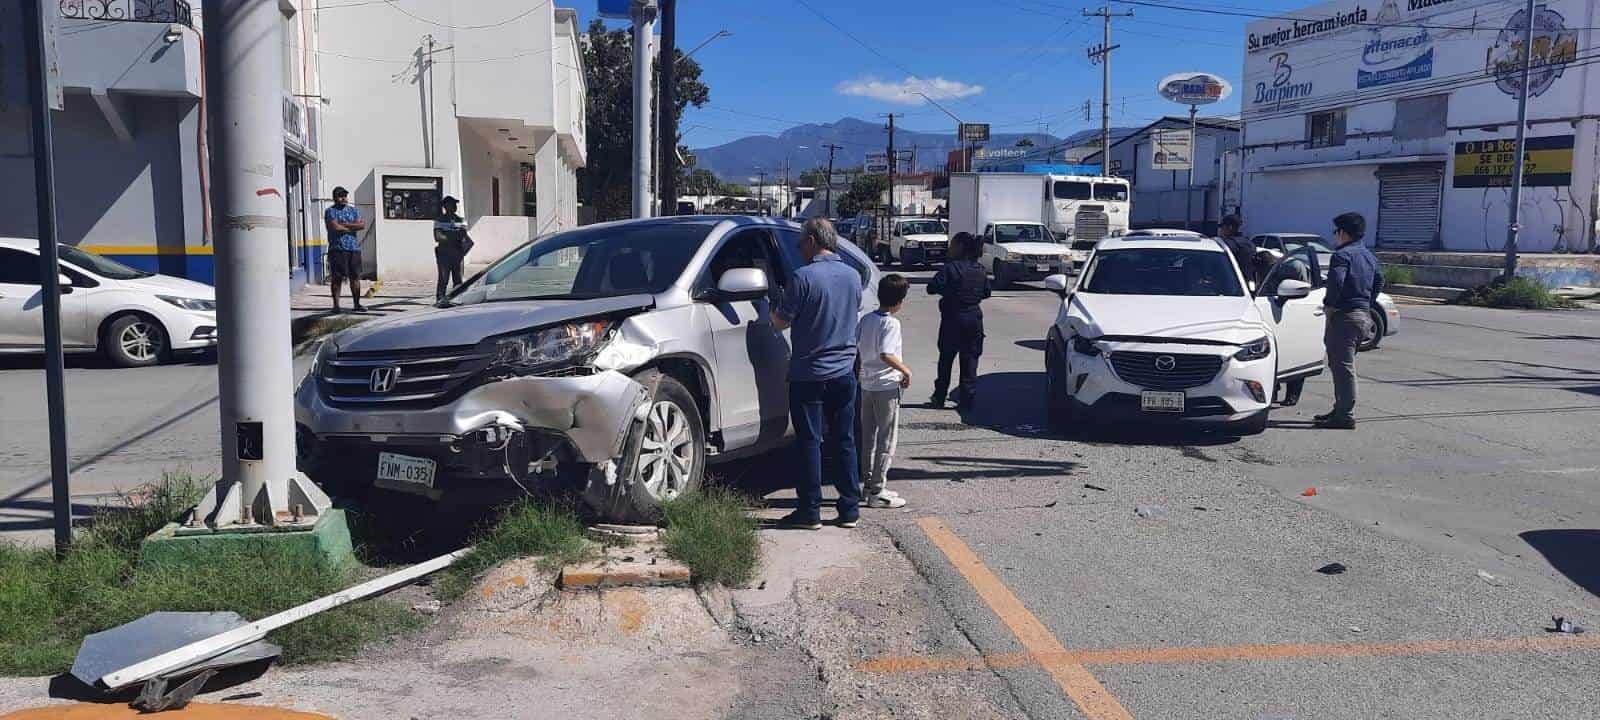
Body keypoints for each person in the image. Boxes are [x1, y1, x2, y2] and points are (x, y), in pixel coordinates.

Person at [771, 218, 863, 530]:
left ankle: (809, 511)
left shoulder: (802, 277)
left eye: (801, 242)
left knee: (810, 441)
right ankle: (849, 508)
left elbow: (781, 322)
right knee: (844, 440)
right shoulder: (852, 276)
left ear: (812, 240)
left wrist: (772, 306)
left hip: (809, 372)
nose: (799, 248)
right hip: (844, 372)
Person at [1316, 212, 1383, 430]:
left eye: (1336, 231)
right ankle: (1340, 408)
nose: (1335, 236)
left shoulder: (1342, 255)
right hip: (1363, 315)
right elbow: (1379, 282)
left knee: (1343, 368)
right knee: (1340, 365)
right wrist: (1367, 303)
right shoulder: (1369, 255)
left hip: (1344, 316)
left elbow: (1336, 280)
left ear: (1343, 232)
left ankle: (1345, 415)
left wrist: (1330, 304)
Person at [858, 273, 912, 510]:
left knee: (867, 437)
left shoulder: (866, 320)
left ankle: (867, 485)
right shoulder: (891, 323)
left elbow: (857, 349)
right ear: (899, 300)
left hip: (867, 384)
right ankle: (878, 490)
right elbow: (886, 353)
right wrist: (906, 371)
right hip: (886, 387)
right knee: (886, 439)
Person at [927, 232, 990, 409]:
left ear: (960, 247)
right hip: (974, 320)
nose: (950, 248)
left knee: (946, 360)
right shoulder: (979, 269)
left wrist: (950, 292)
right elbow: (986, 292)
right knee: (970, 361)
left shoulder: (950, 268)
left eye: (953, 245)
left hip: (953, 319)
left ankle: (939, 397)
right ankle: (967, 399)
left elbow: (932, 287)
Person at [323, 186, 366, 312]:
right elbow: (335, 227)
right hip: (337, 249)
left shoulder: (353, 210)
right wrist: (353, 227)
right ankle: (336, 306)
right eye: (340, 196)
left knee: (355, 277)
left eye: (345, 196)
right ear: (335, 198)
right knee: (337, 278)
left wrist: (344, 225)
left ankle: (357, 304)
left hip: (353, 248)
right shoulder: (330, 211)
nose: (343, 198)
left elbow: (362, 225)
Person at [434, 196, 473, 304]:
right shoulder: (439, 220)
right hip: (444, 254)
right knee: (443, 279)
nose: (454, 206)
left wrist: (447, 235)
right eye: (451, 204)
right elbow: (437, 237)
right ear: (445, 206)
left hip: (457, 254)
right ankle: (440, 299)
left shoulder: (461, 220)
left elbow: (462, 235)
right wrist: (454, 235)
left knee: (458, 280)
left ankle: (458, 299)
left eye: (455, 204)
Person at [1217, 215, 1257, 285]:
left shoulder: (1226, 244)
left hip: (1229, 283)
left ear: (1230, 227)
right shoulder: (1249, 243)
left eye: (1222, 227)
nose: (1221, 230)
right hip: (1248, 282)